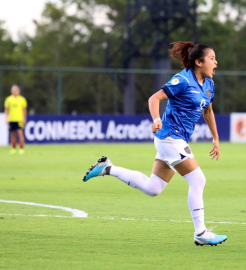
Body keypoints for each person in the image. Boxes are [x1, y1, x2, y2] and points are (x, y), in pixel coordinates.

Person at [82, 41, 227, 246]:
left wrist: (216, 137)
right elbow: (154, 98)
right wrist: (156, 119)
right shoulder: (183, 80)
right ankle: (200, 233)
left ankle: (107, 168)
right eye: (212, 58)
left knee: (153, 188)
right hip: (169, 137)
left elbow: (208, 111)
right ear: (198, 62)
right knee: (198, 180)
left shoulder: (209, 85)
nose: (216, 62)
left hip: (175, 140)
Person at [4, 85, 27, 154]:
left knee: (20, 134)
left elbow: (24, 110)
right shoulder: (8, 99)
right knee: (13, 135)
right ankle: (13, 149)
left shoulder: (22, 99)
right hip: (11, 119)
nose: (15, 92)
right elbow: (6, 110)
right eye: (14, 90)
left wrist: (24, 118)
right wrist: (6, 118)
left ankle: (21, 149)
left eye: (16, 90)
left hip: (19, 119)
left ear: (19, 91)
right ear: (11, 91)